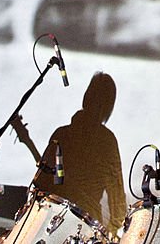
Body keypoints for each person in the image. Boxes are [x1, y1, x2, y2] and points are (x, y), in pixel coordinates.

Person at [39, 72, 126, 235]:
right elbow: (117, 193)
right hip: (86, 225)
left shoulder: (61, 134)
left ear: (86, 98)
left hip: (51, 222)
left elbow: (40, 183)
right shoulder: (107, 140)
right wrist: (115, 229)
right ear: (109, 107)